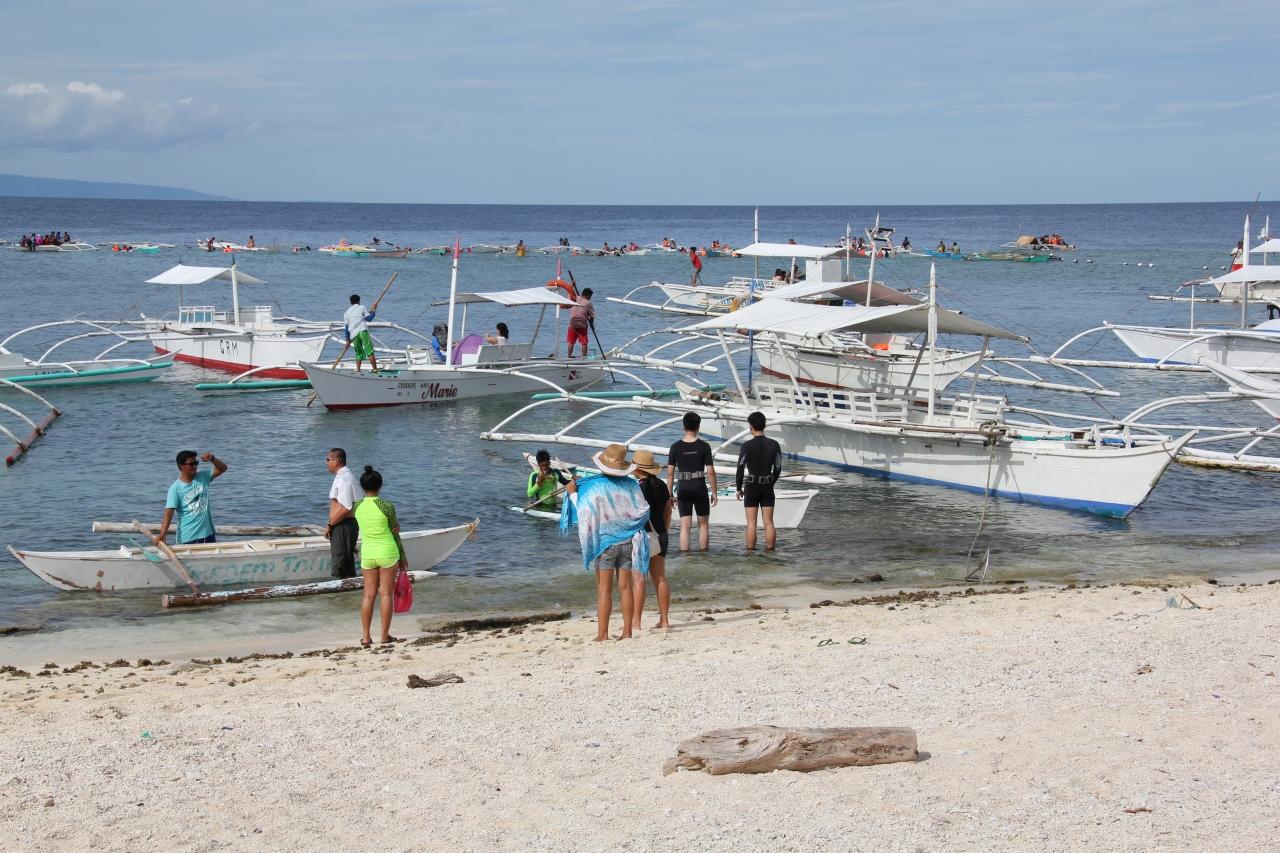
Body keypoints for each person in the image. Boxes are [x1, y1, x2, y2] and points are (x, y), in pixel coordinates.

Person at [562, 443, 650, 641]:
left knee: (604, 589)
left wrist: (573, 493)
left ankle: (603, 634)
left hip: (605, 545)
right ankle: (627, 632)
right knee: (625, 587)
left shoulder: (595, 487)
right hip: (628, 542)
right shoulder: (632, 485)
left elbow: (585, 511)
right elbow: (644, 510)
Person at [353, 465, 407, 647]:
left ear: (362, 487)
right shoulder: (387, 506)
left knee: (368, 596)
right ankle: (384, 635)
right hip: (387, 552)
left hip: (368, 554)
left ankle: (366, 637)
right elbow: (395, 533)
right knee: (385, 595)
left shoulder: (357, 506)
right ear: (380, 486)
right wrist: (403, 556)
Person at [631, 449, 671, 630]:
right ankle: (664, 620)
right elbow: (667, 510)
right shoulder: (661, 485)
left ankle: (636, 622)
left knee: (639, 579)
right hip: (661, 534)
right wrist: (664, 530)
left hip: (644, 536)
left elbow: (634, 515)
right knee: (660, 578)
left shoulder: (638, 488)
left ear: (638, 468)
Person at [667, 411, 717, 551]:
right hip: (699, 486)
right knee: (703, 525)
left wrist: (670, 494)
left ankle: (685, 556)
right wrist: (714, 492)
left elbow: (670, 473)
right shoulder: (704, 446)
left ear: (684, 427)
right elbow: (711, 472)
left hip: (683, 487)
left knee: (685, 527)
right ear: (698, 427)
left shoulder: (675, 447)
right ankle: (704, 555)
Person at [154, 450, 227, 546]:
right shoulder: (175, 488)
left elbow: (223, 468)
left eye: (196, 463)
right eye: (191, 464)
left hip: (208, 534)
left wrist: (212, 459)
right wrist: (162, 534)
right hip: (189, 537)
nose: (195, 466)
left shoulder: (203, 477)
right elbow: (169, 512)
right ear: (181, 466)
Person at [735, 411, 783, 551]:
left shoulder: (747, 445)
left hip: (752, 485)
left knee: (751, 523)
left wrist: (738, 488)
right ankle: (770, 552)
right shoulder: (774, 444)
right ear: (764, 425)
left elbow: (740, 468)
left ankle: (750, 553)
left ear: (751, 426)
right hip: (767, 485)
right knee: (769, 522)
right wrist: (771, 482)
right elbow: (778, 468)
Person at [325, 448, 360, 579]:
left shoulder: (345, 478)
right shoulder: (341, 477)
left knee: (341, 566)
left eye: (328, 459)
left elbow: (346, 507)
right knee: (343, 564)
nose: (326, 462)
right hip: (341, 524)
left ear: (336, 461)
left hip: (343, 525)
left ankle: (345, 589)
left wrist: (330, 524)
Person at [343, 293, 379, 372]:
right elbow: (369, 319)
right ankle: (375, 369)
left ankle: (358, 369)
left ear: (351, 302)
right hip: (362, 331)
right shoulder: (362, 307)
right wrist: (374, 310)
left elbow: (346, 328)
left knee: (358, 353)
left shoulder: (346, 313)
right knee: (369, 350)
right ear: (359, 301)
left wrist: (347, 340)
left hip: (353, 335)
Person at [568, 287, 594, 358]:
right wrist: (592, 325)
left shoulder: (574, 298)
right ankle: (584, 357)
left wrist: (572, 286)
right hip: (582, 325)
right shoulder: (588, 303)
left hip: (572, 323)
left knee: (571, 342)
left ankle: (569, 356)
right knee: (584, 342)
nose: (590, 298)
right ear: (588, 295)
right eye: (590, 297)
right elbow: (592, 316)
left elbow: (569, 294)